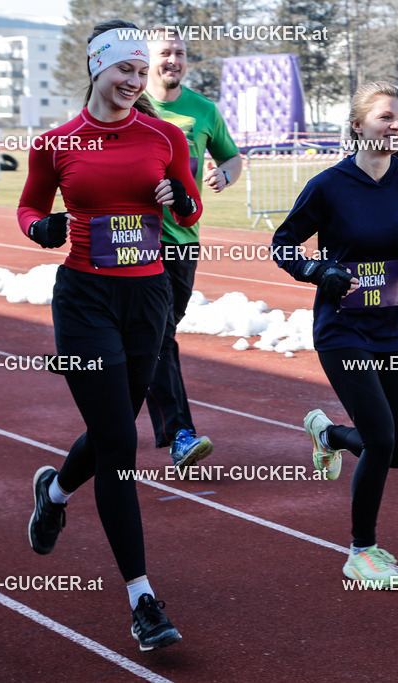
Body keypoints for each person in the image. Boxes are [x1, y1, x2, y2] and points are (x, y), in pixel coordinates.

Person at [17, 20, 201, 651]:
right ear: (97, 66)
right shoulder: (55, 143)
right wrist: (40, 229)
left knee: (110, 430)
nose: (134, 81)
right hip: (85, 300)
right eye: (124, 69)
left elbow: (191, 207)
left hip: (148, 297)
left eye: (141, 72)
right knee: (121, 443)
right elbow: (30, 207)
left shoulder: (164, 135)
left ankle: (55, 490)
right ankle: (142, 599)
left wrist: (180, 196)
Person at [273, 82, 398, 588]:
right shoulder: (330, 185)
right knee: (380, 438)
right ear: (357, 126)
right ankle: (360, 551)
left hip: (395, 327)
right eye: (386, 117)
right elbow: (284, 244)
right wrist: (316, 270)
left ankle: (327, 434)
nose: (396, 126)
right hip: (343, 330)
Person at [142, 31, 242, 468]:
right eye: (164, 52)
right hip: (138, 243)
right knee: (159, 335)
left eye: (180, 53)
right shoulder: (130, 105)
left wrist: (226, 175)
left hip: (184, 242)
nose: (173, 60)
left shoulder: (203, 110)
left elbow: (232, 157)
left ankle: (117, 401)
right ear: (146, 59)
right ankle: (180, 433)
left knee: (157, 337)